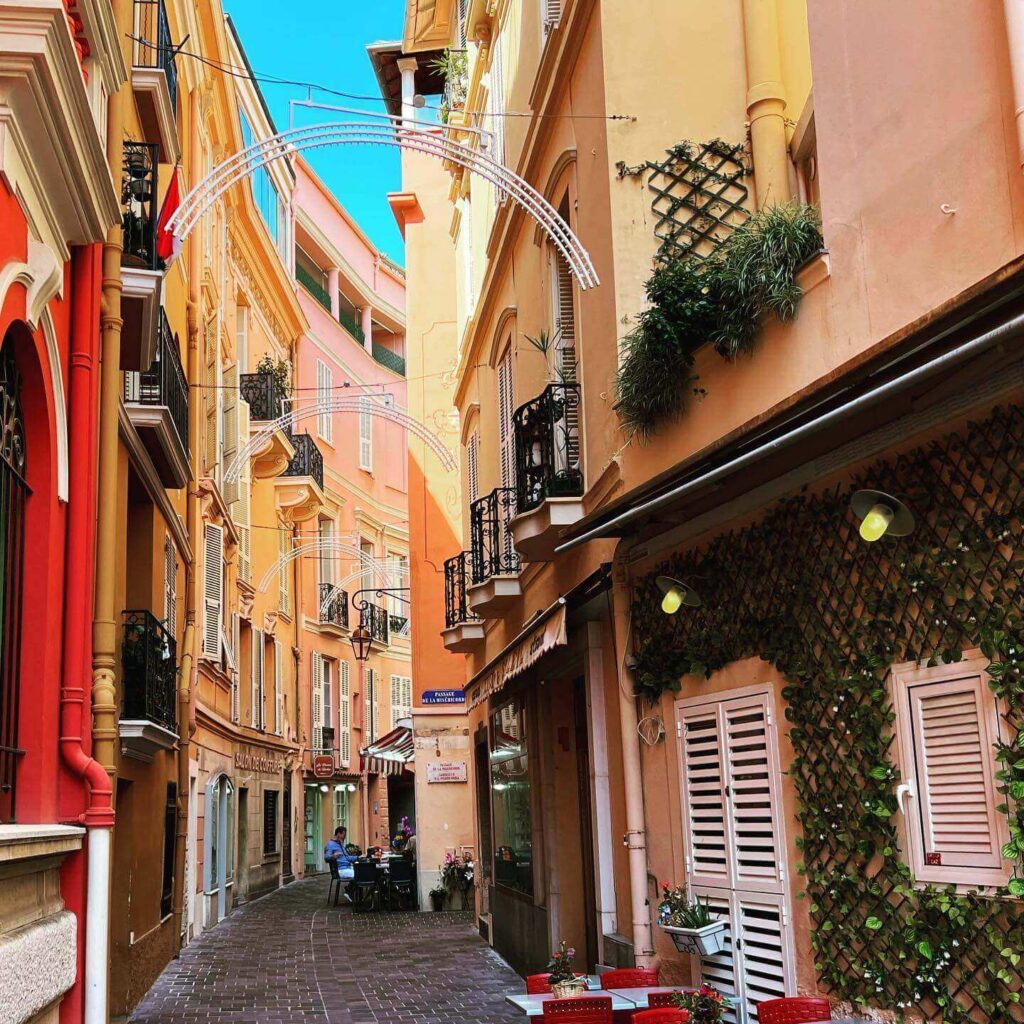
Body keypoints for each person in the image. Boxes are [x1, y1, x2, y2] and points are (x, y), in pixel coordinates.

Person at [324, 826, 356, 901]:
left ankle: (352, 892)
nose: (344, 837)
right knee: (359, 875)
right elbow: (326, 858)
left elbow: (347, 857)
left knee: (363, 872)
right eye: (343, 835)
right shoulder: (331, 844)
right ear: (338, 834)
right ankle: (349, 891)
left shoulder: (340, 844)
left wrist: (358, 857)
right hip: (341, 870)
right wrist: (333, 856)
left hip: (347, 867)